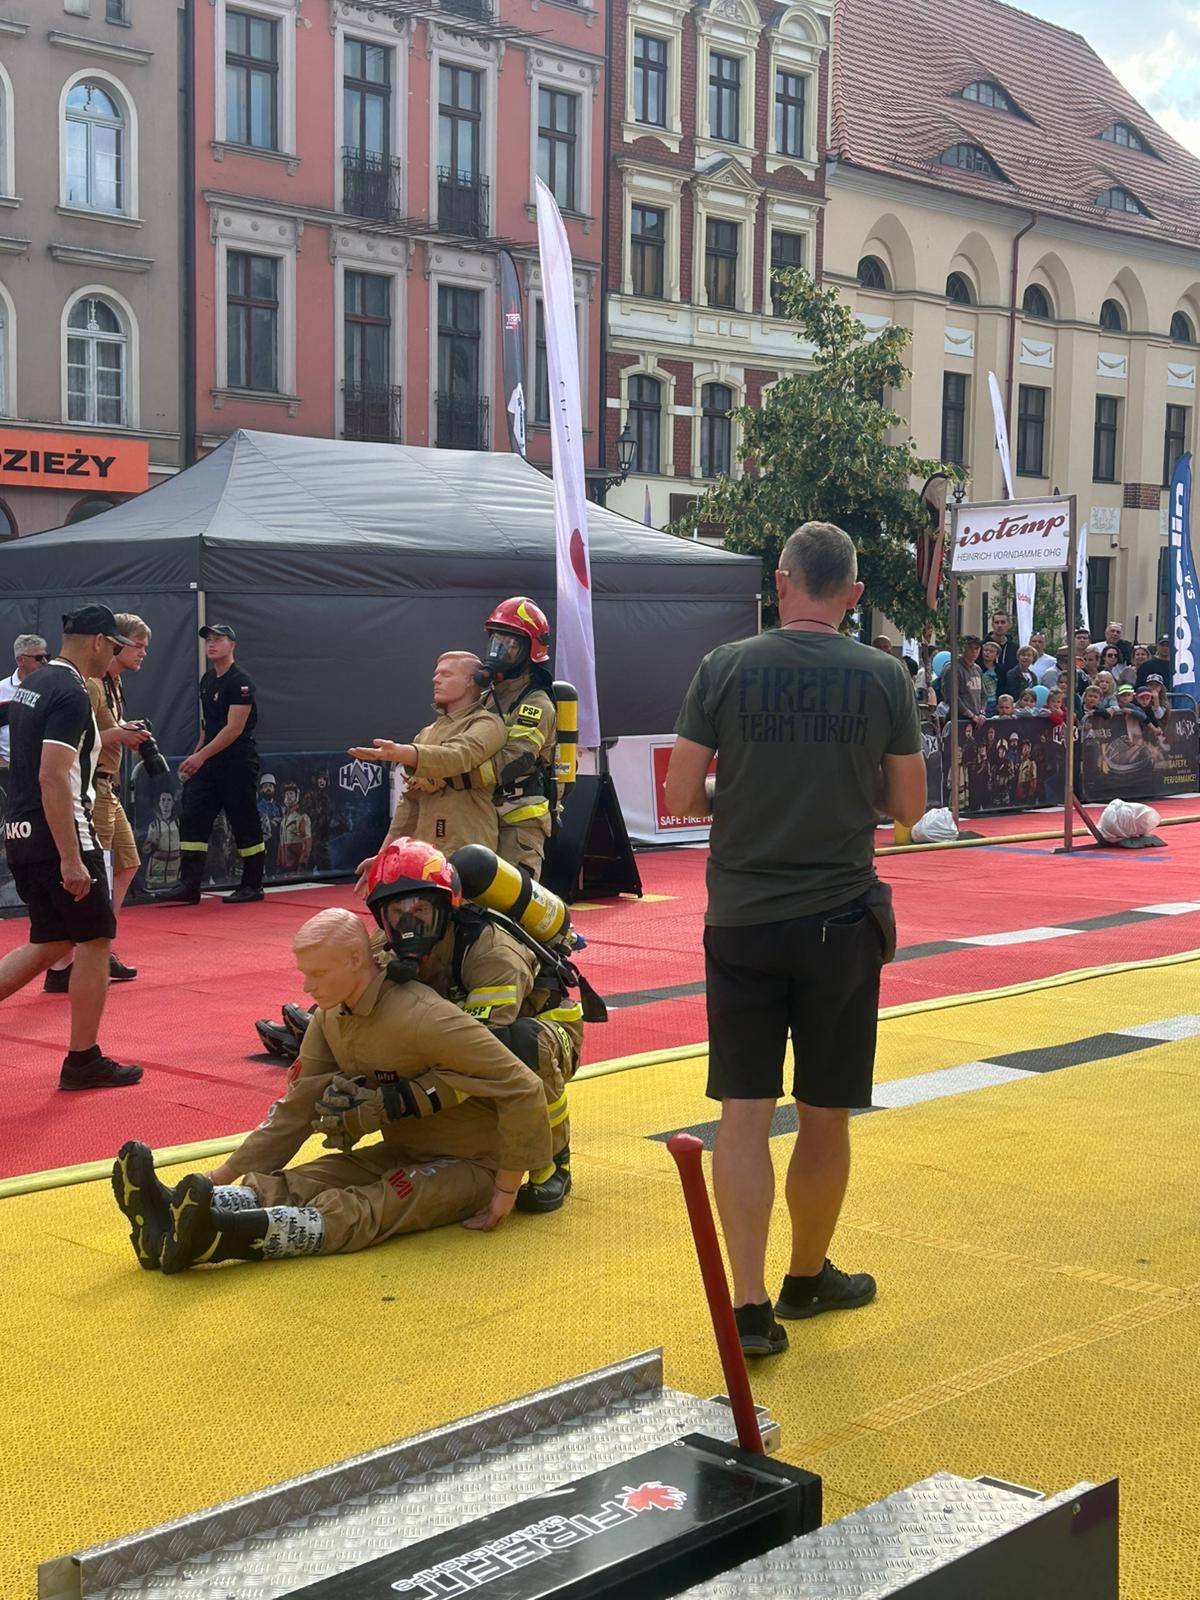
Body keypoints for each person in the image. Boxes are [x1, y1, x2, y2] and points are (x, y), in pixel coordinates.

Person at [664, 521, 925, 1359]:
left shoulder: (723, 667)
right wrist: (846, 791)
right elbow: (910, 808)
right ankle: (806, 1278)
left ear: (780, 583)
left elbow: (680, 794)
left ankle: (748, 1307)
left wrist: (740, 795)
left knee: (743, 1112)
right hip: (839, 920)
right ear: (853, 594)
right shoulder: (883, 675)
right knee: (823, 1109)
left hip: (742, 917)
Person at [109, 904, 552, 1272]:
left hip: (474, 1164)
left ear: (357, 960)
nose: (307, 986)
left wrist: (506, 1190)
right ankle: (172, 1211)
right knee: (308, 1179)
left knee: (370, 1204)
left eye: (318, 973)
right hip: (405, 1147)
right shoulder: (330, 1017)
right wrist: (216, 1178)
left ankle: (218, 1237)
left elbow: (522, 1086)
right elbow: (296, 1108)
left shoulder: (423, 1015)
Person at [256, 837, 586, 1212]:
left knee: (525, 1045)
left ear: (447, 906)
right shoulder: (384, 945)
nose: (409, 923)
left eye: (421, 910)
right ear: (381, 916)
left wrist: (391, 1104)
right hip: (463, 1025)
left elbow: (478, 1062)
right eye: (398, 912)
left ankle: (553, 1161)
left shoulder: (493, 954)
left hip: (539, 1024)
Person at [0, 606, 142, 1090]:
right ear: (99, 641)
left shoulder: (33, 683)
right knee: (97, 940)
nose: (115, 657)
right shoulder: (73, 691)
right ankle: (83, 1059)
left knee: (51, 942)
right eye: (115, 647)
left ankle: (84, 1058)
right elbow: (53, 775)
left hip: (20, 831)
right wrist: (70, 857)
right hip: (61, 833)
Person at [44, 613, 151, 993]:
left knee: (127, 862)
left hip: (107, 787)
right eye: (138, 646)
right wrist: (120, 734)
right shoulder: (88, 685)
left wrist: (123, 732)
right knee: (96, 872)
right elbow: (81, 740)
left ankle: (99, 946)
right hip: (92, 789)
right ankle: (69, 959)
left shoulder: (113, 683)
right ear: (112, 643)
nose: (142, 653)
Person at [349, 651, 507, 858]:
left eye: (446, 674)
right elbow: (410, 801)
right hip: (425, 853)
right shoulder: (426, 734)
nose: (436, 679)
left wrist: (401, 753)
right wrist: (384, 855)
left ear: (471, 681)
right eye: (436, 674)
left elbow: (457, 756)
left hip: (469, 850)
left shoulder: (487, 724)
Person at [155, 625, 265, 905]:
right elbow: (207, 727)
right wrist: (195, 759)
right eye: (208, 641)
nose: (211, 644)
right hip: (209, 764)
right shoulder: (207, 681)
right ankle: (189, 885)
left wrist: (200, 757)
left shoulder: (241, 682)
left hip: (237, 763)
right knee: (193, 816)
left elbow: (233, 729)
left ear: (232, 645)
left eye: (218, 640)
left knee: (244, 820)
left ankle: (252, 885)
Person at [481, 599, 558, 879]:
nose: (500, 649)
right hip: (484, 813)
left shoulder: (536, 702)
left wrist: (461, 776)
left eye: (510, 642)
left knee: (512, 898)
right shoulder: (488, 696)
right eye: (496, 640)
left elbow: (518, 757)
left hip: (520, 820)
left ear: (530, 650)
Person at [0, 634, 49, 769]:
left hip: (41, 770)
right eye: (38, 658)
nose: (45, 661)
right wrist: (3, 765)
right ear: (20, 660)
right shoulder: (2, 691)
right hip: (8, 770)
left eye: (46, 656)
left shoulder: (51, 689)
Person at [142, 789, 180, 889]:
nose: (166, 804)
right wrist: (153, 842)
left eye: (169, 800)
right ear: (159, 804)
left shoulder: (178, 824)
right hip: (156, 876)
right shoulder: (154, 825)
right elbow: (145, 850)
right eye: (163, 800)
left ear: (173, 803)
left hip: (174, 876)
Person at [956, 636, 987, 725]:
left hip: (978, 718)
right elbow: (952, 697)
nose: (974, 651)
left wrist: (982, 712)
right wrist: (971, 715)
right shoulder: (954, 668)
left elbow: (984, 695)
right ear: (963, 648)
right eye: (970, 648)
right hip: (960, 718)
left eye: (977, 648)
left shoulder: (978, 669)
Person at [984, 611, 1019, 684]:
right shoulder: (983, 646)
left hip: (1008, 688)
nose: (999, 625)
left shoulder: (1015, 649)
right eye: (997, 622)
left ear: (1009, 625)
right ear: (992, 625)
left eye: (1003, 622)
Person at [979, 640, 1002, 715]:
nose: (987, 653)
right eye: (986, 650)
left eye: (991, 651)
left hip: (994, 702)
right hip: (979, 701)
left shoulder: (1000, 670)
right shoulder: (976, 667)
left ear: (997, 655)